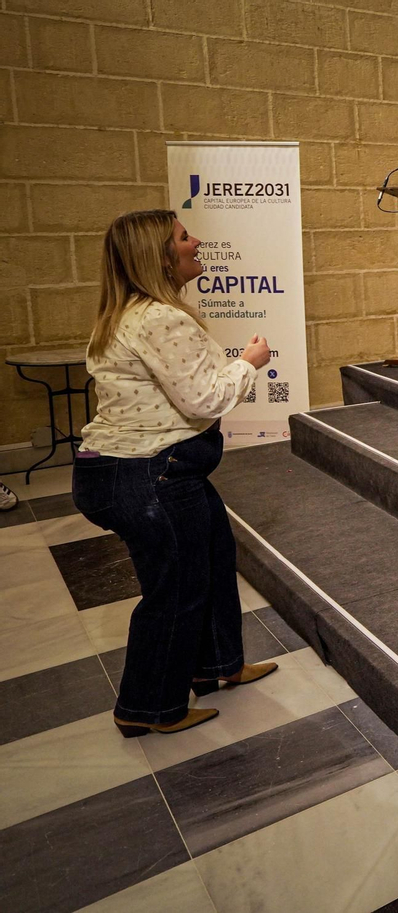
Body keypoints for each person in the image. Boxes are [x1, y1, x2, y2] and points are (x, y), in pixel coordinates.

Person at [75, 209, 277, 738]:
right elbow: (206, 397)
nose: (196, 242)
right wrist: (249, 362)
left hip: (151, 471)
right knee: (176, 589)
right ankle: (147, 706)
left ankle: (217, 665)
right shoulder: (160, 318)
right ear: (159, 256)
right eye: (184, 238)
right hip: (149, 475)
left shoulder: (130, 313)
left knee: (211, 557)